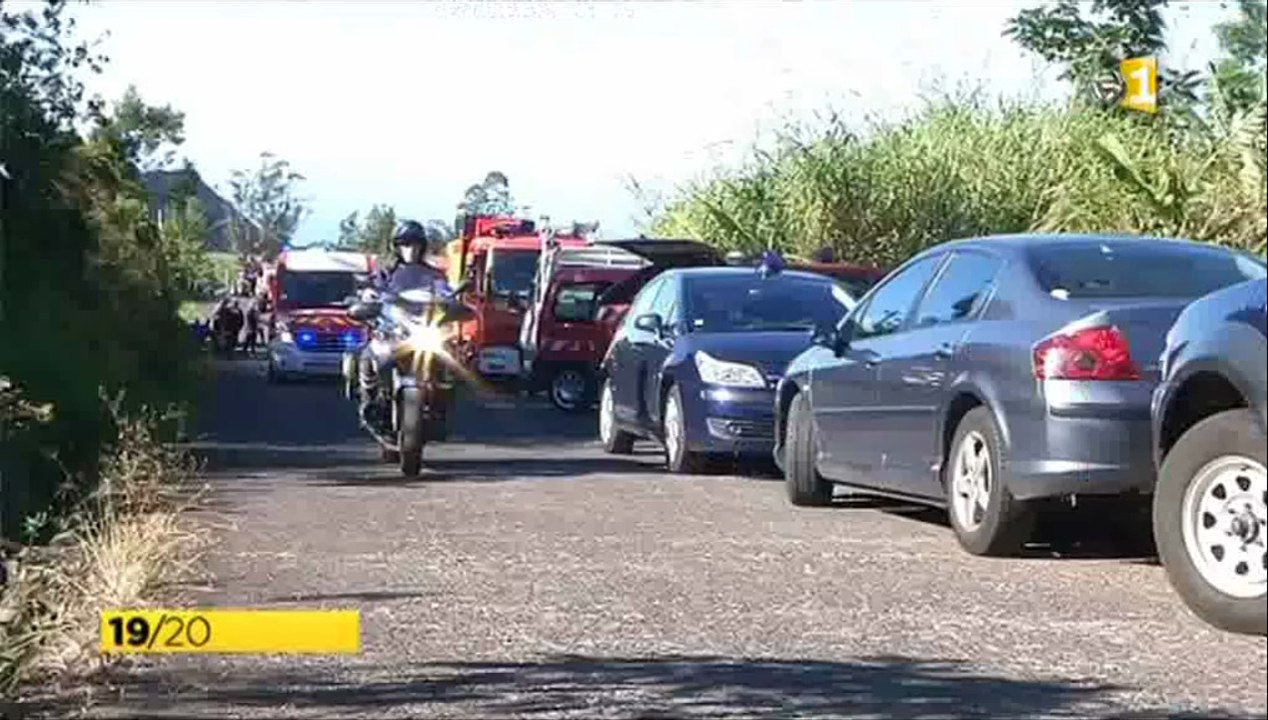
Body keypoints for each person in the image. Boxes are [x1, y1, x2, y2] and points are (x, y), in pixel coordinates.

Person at [357, 220, 453, 427]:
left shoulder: (434, 275)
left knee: (450, 357)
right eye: (405, 243)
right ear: (396, 246)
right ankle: (370, 399)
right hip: (394, 329)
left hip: (424, 328)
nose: (410, 249)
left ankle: (440, 405)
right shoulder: (387, 272)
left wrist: (453, 304)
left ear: (423, 246)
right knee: (369, 353)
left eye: (415, 244)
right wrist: (368, 298)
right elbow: (372, 290)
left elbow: (446, 293)